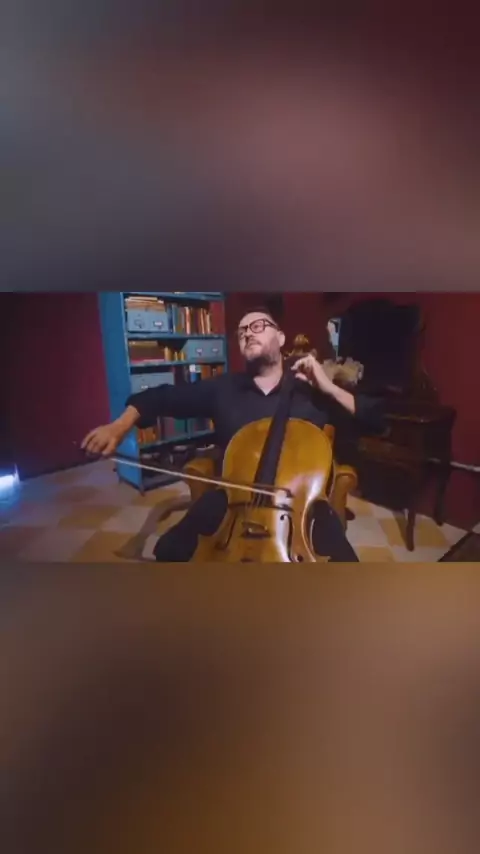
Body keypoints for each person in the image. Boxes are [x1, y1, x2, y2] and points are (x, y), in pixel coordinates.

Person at [81, 307, 386, 561]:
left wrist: (330, 387)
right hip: (232, 501)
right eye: (242, 332)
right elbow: (158, 398)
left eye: (257, 326)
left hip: (301, 507)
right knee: (169, 551)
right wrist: (118, 426)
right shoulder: (223, 389)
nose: (248, 333)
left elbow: (376, 419)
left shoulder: (312, 392)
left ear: (280, 338)